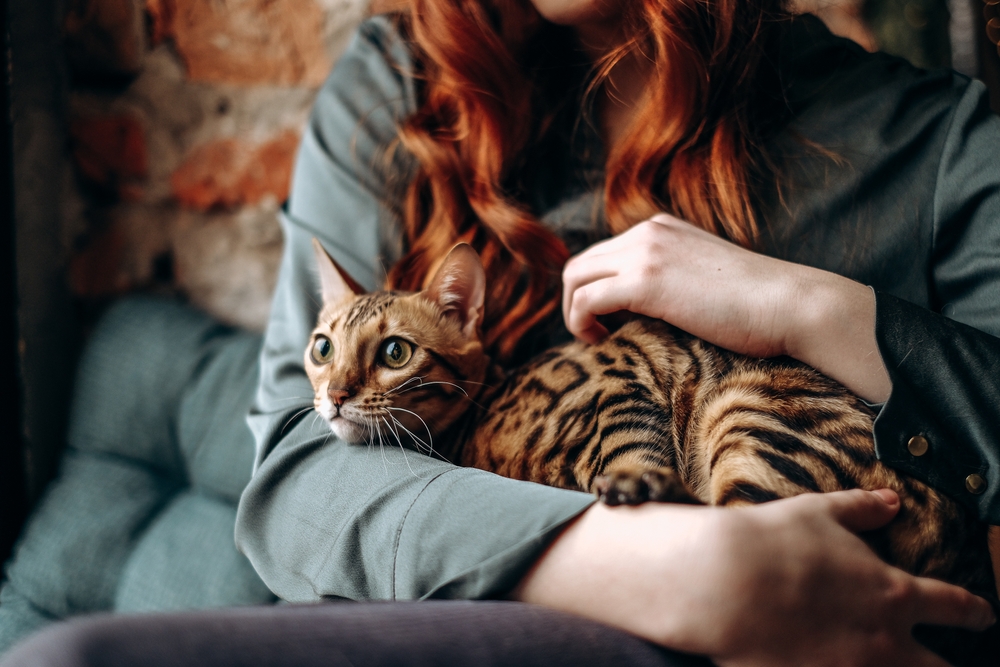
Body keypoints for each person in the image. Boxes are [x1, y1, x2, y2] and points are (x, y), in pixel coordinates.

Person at [3, 0, 999, 665]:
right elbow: (297, 481)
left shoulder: (946, 147)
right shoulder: (397, 82)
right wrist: (664, 571)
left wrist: (814, 311)